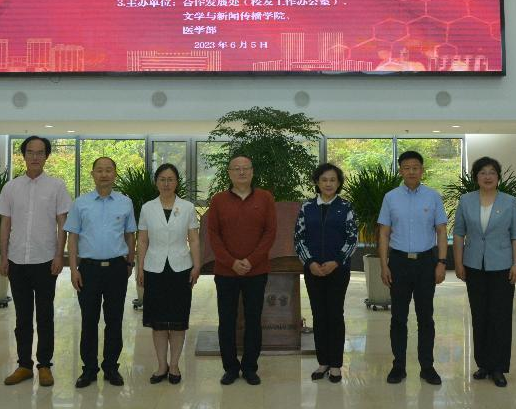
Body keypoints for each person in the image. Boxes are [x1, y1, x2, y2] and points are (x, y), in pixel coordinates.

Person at [0, 136, 71, 387]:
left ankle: (45, 365)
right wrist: (4, 256)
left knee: (45, 315)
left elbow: (63, 224)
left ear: (46, 156)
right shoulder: (11, 187)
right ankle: (24, 365)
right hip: (17, 260)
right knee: (22, 317)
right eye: (30, 152)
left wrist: (60, 255)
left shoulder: (57, 186)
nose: (35, 157)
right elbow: (5, 224)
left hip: (45, 260)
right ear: (24, 155)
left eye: (40, 152)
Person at [453, 156, 516, 388]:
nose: (487, 176)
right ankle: (483, 364)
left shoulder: (510, 201)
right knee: (479, 315)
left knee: (500, 316)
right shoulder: (465, 200)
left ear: (498, 177)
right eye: (482, 172)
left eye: (492, 172)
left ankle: (498, 367)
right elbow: (458, 234)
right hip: (474, 266)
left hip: (502, 267)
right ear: (476, 177)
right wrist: (458, 263)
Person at [378, 150, 448, 386]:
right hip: (398, 262)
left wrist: (441, 263)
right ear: (400, 170)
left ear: (422, 170)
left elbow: (441, 231)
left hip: (426, 262)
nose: (411, 171)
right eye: (406, 167)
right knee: (398, 317)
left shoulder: (433, 196)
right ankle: (398, 366)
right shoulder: (390, 197)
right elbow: (384, 233)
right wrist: (384, 264)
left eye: (415, 167)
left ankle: (427, 367)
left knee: (425, 317)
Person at [65, 157, 136, 388]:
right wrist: (73, 269)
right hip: (88, 270)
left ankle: (111, 368)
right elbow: (72, 238)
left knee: (114, 320)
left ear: (115, 173)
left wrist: (129, 263)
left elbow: (130, 235)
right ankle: (89, 370)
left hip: (117, 269)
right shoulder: (80, 203)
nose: (104, 174)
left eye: (108, 170)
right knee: (89, 320)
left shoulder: (125, 202)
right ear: (92, 174)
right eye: (99, 170)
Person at [207, 154, 277, 386]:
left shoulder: (265, 198)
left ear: (252, 171)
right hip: (225, 272)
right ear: (229, 173)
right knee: (226, 320)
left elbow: (270, 233)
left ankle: (249, 368)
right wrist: (231, 262)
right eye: (236, 168)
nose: (241, 172)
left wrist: (251, 260)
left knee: (253, 320)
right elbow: (213, 235)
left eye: (245, 168)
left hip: (256, 271)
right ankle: (230, 368)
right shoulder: (218, 200)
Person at [136, 163, 201, 385]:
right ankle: (161, 365)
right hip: (154, 268)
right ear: (156, 182)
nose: (166, 183)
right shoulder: (147, 208)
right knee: (158, 322)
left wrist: (197, 265)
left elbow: (194, 239)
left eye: (170, 179)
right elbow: (142, 240)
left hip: (180, 268)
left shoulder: (187, 207)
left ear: (176, 182)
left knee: (178, 320)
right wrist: (140, 267)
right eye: (162, 179)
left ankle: (174, 365)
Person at [293, 163, 357, 383]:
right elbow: (298, 238)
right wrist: (310, 262)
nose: (328, 184)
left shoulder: (346, 207)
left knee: (335, 315)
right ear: (317, 183)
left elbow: (352, 239)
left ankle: (336, 364)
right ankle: (323, 362)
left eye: (332, 180)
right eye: (324, 180)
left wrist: (336, 262)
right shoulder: (307, 207)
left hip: (338, 270)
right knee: (319, 315)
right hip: (313, 270)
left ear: (338, 183)